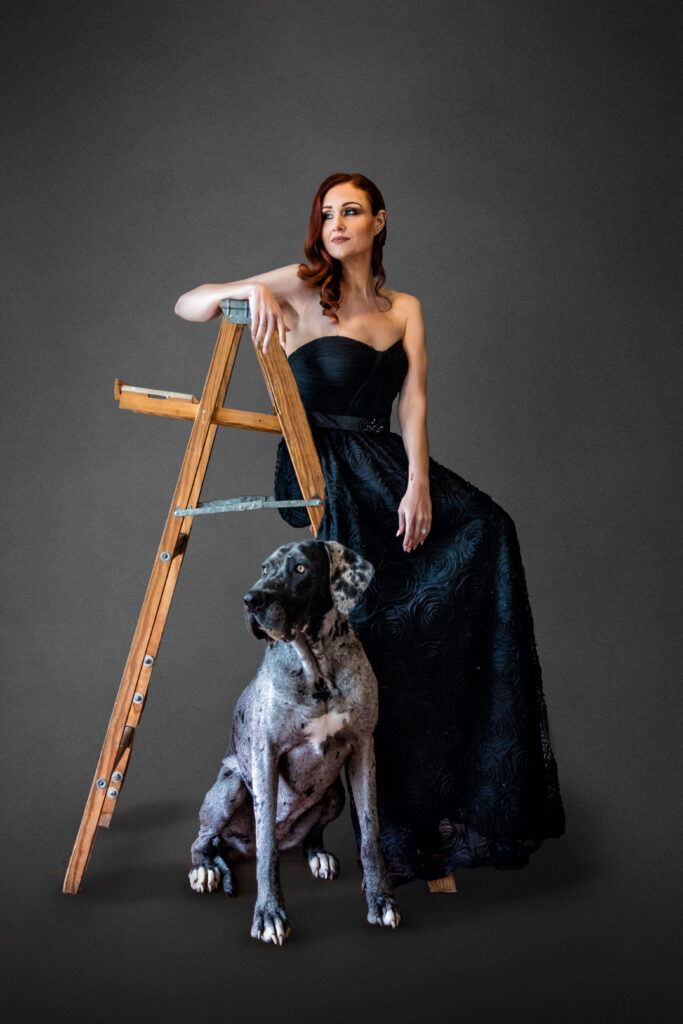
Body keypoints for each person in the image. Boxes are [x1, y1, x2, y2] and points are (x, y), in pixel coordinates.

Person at [175, 172, 565, 886]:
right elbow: (188, 303)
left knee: (488, 531)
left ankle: (447, 804)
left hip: (387, 462)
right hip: (324, 465)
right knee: (377, 610)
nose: (336, 223)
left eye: (351, 212)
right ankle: (381, 831)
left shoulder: (405, 307)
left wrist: (418, 482)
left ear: (379, 222)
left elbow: (411, 403)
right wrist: (246, 292)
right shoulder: (297, 282)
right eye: (326, 213)